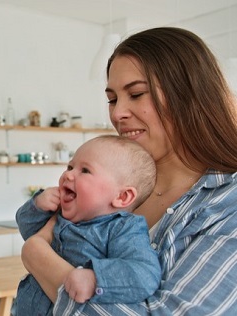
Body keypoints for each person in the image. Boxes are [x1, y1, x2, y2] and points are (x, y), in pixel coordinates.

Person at [20, 27, 237, 315]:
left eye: (136, 94)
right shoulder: (110, 183)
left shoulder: (226, 204)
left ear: (190, 94)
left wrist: (37, 257)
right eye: (112, 99)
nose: (117, 113)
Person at [14, 135, 161, 315]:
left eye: (85, 170)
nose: (68, 174)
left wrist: (96, 279)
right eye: (70, 167)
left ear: (122, 197)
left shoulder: (123, 228)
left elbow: (144, 273)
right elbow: (28, 230)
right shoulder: (61, 213)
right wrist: (37, 205)